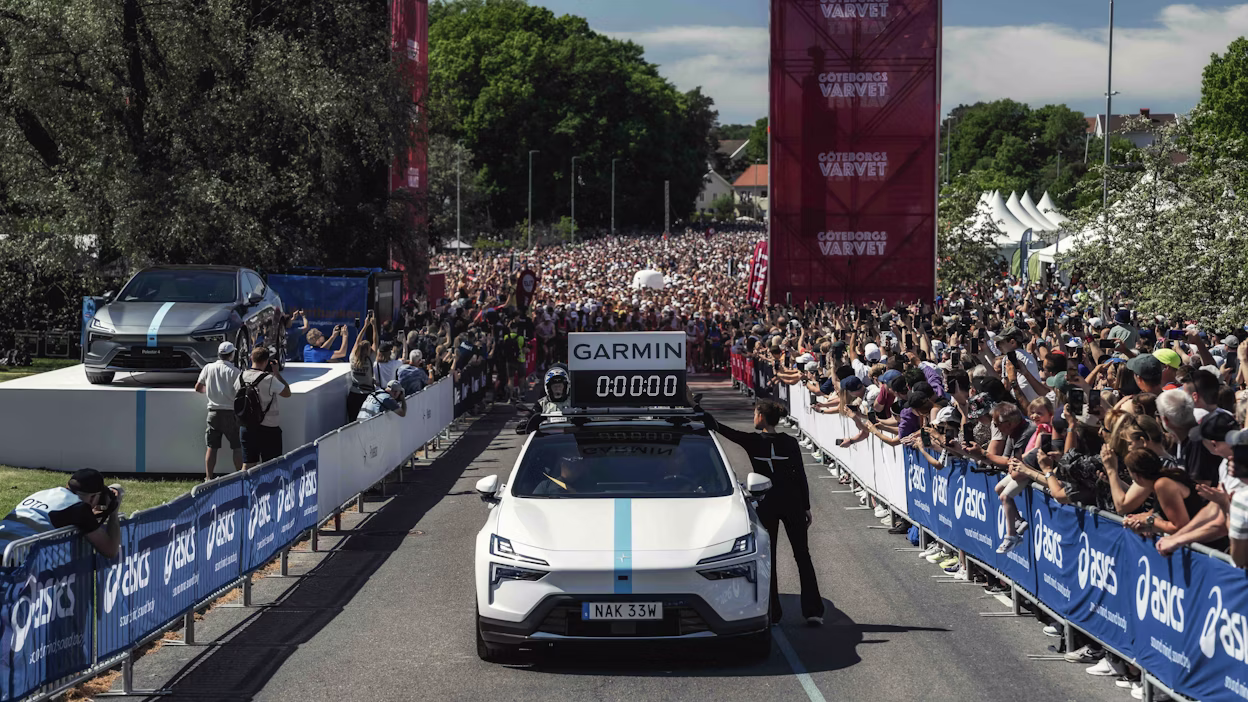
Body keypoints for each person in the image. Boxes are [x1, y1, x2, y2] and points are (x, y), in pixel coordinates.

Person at [704, 400, 824, 626]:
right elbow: (800, 475)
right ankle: (813, 611)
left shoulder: (753, 441)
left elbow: (719, 428)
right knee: (803, 556)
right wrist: (806, 506)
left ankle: (773, 612)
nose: (753, 417)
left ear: (761, 417)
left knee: (769, 559)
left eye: (754, 413)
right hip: (793, 504)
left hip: (767, 503)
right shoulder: (789, 442)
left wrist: (694, 407)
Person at [0, 469, 123, 558]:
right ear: (92, 498)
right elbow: (110, 550)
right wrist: (113, 512)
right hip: (14, 562)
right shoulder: (79, 508)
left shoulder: (42, 494)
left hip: (7, 551)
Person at [195, 341, 243, 481]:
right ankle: (240, 476)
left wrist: (211, 391)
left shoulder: (208, 368)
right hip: (230, 412)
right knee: (237, 446)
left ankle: (209, 477)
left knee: (212, 447)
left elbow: (198, 387)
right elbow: (240, 392)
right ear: (231, 354)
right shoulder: (235, 372)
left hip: (213, 412)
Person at [237, 346, 291, 468]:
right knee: (271, 465)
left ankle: (246, 487)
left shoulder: (241, 377)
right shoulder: (269, 379)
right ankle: (269, 487)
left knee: (248, 464)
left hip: (247, 426)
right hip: (269, 428)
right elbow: (287, 393)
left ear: (251, 358)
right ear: (267, 361)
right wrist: (276, 373)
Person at [347, 313, 379, 422]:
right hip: (366, 396)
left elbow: (357, 342)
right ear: (368, 351)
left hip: (353, 394)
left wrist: (364, 326)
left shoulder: (352, 358)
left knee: (352, 422)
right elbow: (376, 342)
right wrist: (373, 326)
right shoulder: (370, 359)